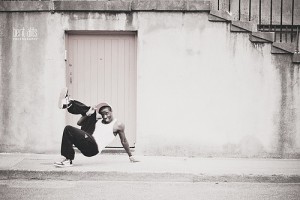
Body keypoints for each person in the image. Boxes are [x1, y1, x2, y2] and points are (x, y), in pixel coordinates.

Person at [54, 88, 139, 167]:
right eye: (102, 114)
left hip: (93, 148)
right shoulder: (98, 120)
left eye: (106, 113)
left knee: (69, 128)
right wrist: (88, 114)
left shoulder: (118, 125)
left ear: (111, 111)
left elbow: (124, 141)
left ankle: (70, 104)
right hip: (87, 141)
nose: (105, 116)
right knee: (91, 112)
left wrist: (131, 156)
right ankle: (69, 104)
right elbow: (79, 123)